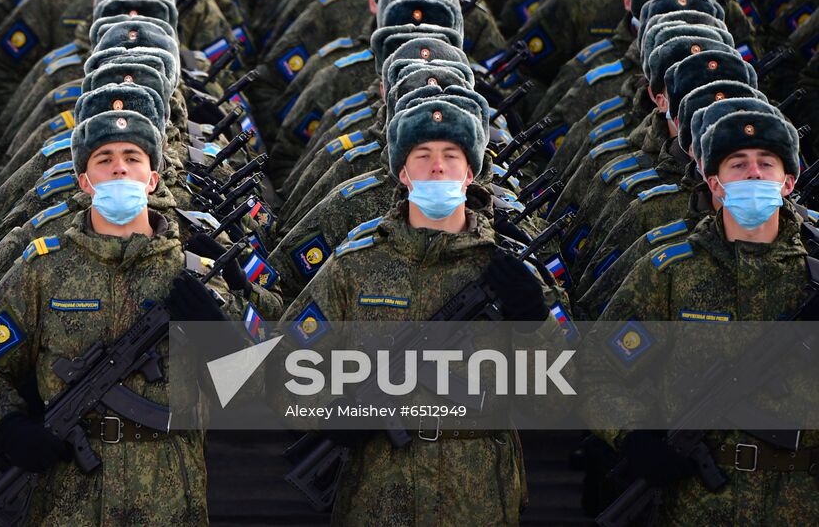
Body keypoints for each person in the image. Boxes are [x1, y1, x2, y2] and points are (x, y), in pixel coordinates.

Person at [277, 96, 557, 524]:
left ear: (471, 173)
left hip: (478, 495)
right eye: (422, 156)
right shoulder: (356, 264)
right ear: (403, 173)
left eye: (451, 155)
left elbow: (562, 395)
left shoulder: (508, 272)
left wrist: (537, 327)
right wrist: (334, 410)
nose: (437, 167)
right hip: (378, 492)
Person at [0, 106, 239, 523]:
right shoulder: (43, 268)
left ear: (154, 179)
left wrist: (220, 340)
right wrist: (7, 424)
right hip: (68, 496)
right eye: (104, 160)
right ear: (84, 182)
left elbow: (254, 395)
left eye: (133, 158)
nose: (120, 170)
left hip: (168, 498)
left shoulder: (192, 275)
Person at [599, 104, 819, 524]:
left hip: (802, 503)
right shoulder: (671, 271)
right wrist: (633, 435)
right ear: (713, 181)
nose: (753, 174)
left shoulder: (813, 276)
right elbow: (598, 368)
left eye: (766, 164)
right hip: (702, 505)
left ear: (788, 182)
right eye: (738, 164)